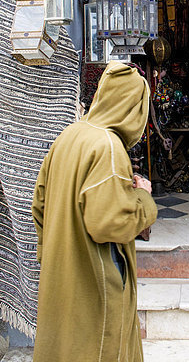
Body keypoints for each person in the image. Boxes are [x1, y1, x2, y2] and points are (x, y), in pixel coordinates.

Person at [32, 61, 158, 362]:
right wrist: (144, 197)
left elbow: (40, 204)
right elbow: (110, 223)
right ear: (133, 109)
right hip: (96, 278)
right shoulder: (108, 147)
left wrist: (55, 256)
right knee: (102, 347)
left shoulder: (70, 135)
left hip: (64, 272)